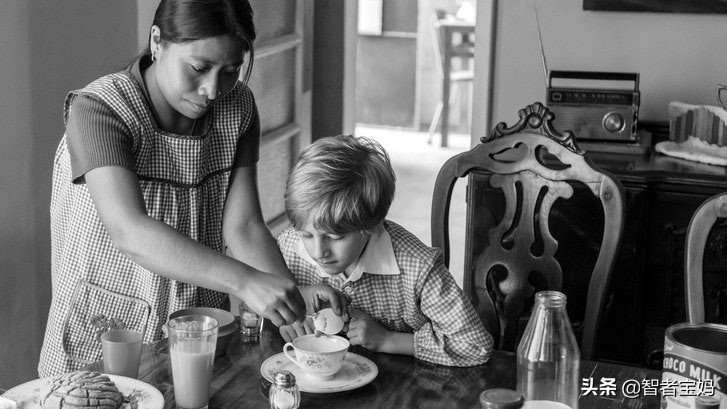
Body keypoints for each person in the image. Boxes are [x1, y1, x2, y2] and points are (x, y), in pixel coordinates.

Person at [39, 0, 345, 377]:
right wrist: (247, 282)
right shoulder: (100, 110)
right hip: (108, 322)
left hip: (197, 320)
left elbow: (243, 226)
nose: (212, 90)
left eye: (231, 70)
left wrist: (289, 298)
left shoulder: (238, 108)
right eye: (199, 67)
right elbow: (129, 231)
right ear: (157, 42)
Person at [277, 135, 493, 367]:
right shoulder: (289, 246)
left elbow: (475, 345)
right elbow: (253, 303)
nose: (318, 252)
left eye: (335, 237)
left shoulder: (417, 267)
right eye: (307, 235)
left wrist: (387, 340)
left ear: (371, 223)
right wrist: (287, 313)